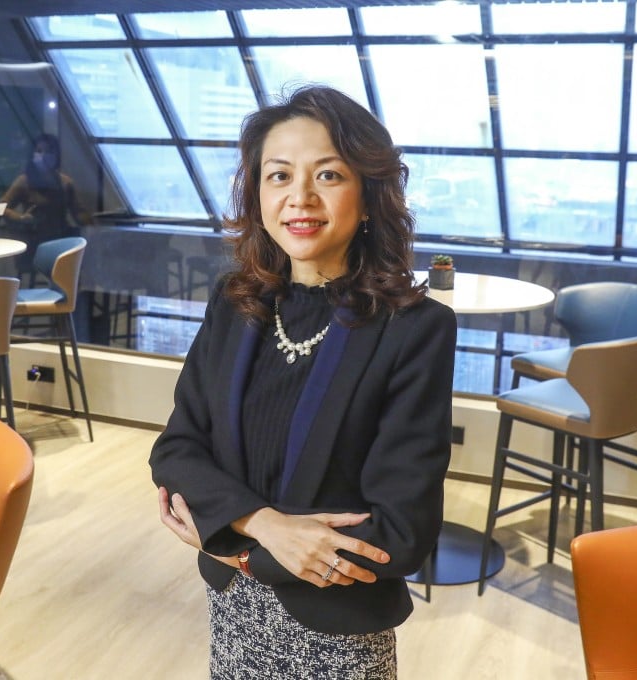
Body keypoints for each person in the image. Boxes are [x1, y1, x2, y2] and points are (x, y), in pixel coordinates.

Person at [149, 85, 457, 678]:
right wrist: (263, 528)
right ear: (257, 193)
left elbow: (400, 532)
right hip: (232, 609)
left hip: (337, 633)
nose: (300, 199)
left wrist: (228, 536)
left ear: (369, 196)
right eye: (279, 176)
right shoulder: (235, 303)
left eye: (329, 177)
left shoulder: (414, 330)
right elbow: (177, 451)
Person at [0, 133, 88, 277]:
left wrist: (94, 225)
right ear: (33, 154)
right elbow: (0, 208)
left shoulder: (65, 183)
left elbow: (79, 213)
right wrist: (21, 218)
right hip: (34, 244)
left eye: (49, 151)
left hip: (60, 241)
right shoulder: (24, 181)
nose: (44, 155)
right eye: (39, 151)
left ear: (57, 155)